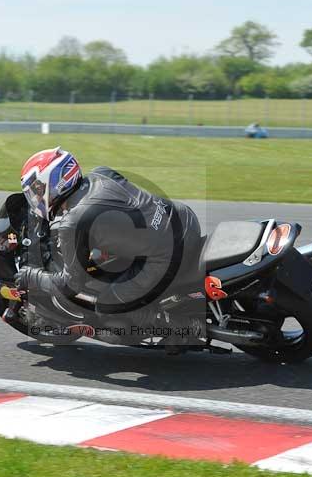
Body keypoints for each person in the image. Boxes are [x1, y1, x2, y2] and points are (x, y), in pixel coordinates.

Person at [14, 147, 203, 349]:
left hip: (167, 256)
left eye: (38, 189)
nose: (35, 197)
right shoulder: (100, 173)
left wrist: (32, 277)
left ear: (55, 183)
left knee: (107, 304)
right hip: (185, 219)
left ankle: (181, 327)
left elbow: (71, 283)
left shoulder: (73, 222)